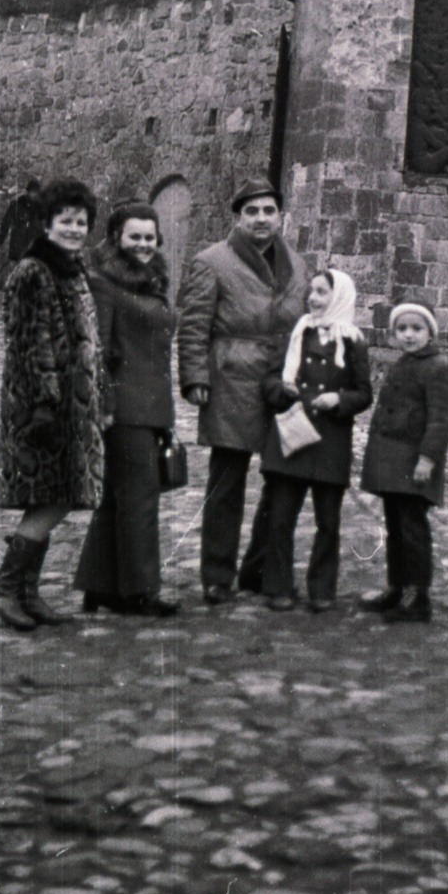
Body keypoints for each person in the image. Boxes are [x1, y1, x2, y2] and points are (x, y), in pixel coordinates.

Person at [177, 177, 308, 604]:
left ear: (280, 216)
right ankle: (217, 574)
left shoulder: (299, 264)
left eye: (268, 211)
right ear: (238, 217)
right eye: (251, 212)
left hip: (283, 382)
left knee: (281, 479)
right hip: (232, 379)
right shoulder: (212, 261)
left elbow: (308, 320)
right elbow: (194, 323)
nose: (261, 219)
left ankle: (259, 568)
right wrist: (195, 377)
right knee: (226, 481)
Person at [0, 178, 104, 631]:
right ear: (48, 224)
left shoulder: (71, 268)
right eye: (65, 222)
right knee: (51, 497)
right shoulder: (34, 271)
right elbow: (30, 346)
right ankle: (5, 589)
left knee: (57, 495)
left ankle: (26, 593)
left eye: (81, 222)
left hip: (70, 408)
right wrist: (45, 406)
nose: (74, 229)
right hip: (42, 409)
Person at [74, 201, 179, 617]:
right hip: (126, 409)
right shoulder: (104, 283)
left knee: (119, 499)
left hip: (150, 407)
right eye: (134, 236)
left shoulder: (150, 280)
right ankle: (140, 591)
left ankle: (99, 585)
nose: (143, 244)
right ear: (116, 237)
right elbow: (97, 348)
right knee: (139, 498)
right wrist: (105, 405)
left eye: (149, 237)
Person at [260, 269, 372, 613]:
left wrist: (340, 400)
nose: (313, 298)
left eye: (322, 292)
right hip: (292, 436)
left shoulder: (353, 341)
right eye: (312, 292)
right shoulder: (297, 333)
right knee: (280, 517)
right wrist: (283, 390)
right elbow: (268, 381)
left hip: (330, 441)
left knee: (328, 521)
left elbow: (364, 393)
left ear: (338, 297)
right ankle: (279, 586)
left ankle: (322, 589)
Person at [359, 302, 448, 624]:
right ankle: (397, 587)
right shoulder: (402, 364)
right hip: (391, 463)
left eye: (417, 329)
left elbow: (441, 420)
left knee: (412, 528)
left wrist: (428, 458)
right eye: (402, 329)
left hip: (415, 463)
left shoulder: (439, 368)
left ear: (430, 332)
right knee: (394, 526)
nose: (409, 335)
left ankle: (419, 596)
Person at [0, 179, 43, 265]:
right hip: (19, 246)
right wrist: (0, 239)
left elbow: (44, 228)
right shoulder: (17, 205)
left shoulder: (40, 209)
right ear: (27, 192)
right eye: (33, 192)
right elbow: (6, 221)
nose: (35, 195)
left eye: (37, 192)